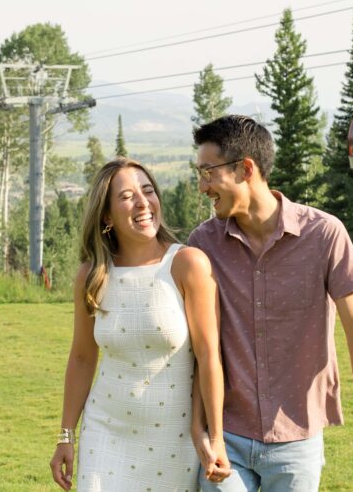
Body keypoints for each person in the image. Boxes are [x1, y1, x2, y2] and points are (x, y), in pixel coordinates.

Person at [187, 116, 353, 492]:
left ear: (246, 168)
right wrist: (200, 430)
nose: (202, 187)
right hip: (226, 437)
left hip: (298, 439)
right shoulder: (203, 244)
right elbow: (198, 348)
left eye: (208, 173)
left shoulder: (325, 235)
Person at [50, 158, 232, 491]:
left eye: (148, 191)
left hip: (173, 439)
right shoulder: (91, 276)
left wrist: (215, 436)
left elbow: (209, 357)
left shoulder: (187, 264)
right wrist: (66, 436)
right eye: (127, 196)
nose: (143, 202)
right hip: (104, 432)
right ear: (107, 216)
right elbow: (81, 358)